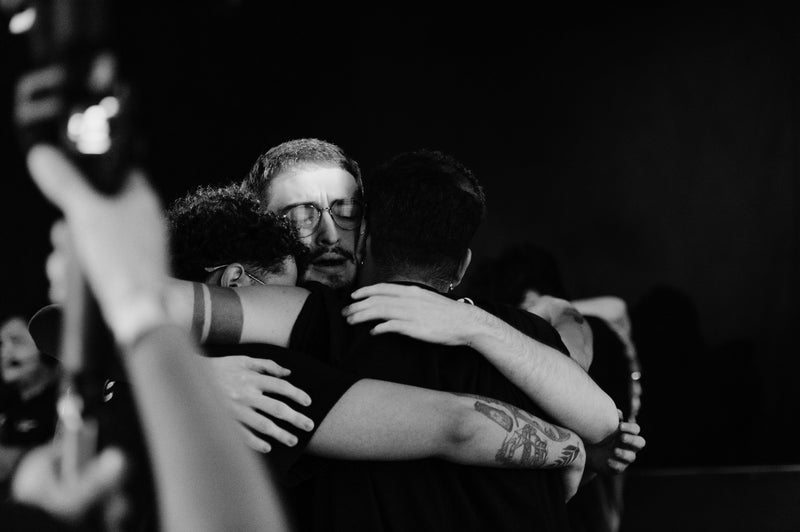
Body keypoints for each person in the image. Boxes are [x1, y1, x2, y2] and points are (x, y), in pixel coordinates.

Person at [19, 144, 292, 532]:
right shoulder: (161, 354)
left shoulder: (132, 348)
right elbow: (48, 324)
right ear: (235, 280)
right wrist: (195, 374)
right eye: (279, 292)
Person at [0, 314, 60, 498]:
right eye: (1, 344)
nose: (5, 353)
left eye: (17, 341)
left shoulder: (63, 399)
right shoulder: (7, 402)